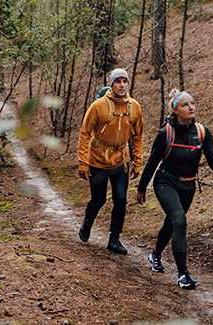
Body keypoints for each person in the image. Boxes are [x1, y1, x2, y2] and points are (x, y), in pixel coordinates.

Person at [135, 89, 213, 289]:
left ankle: (155, 254)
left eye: (193, 103)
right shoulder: (166, 133)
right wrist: (141, 188)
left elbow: (212, 158)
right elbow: (152, 162)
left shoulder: (202, 132)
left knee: (172, 224)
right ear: (176, 110)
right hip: (165, 182)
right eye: (185, 105)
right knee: (180, 221)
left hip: (188, 185)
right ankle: (183, 274)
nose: (191, 107)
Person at [78, 68, 144, 255]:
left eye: (125, 81)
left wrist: (137, 162)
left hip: (119, 161)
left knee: (121, 199)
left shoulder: (135, 107)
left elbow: (137, 137)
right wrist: (83, 163)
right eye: (118, 81)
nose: (122, 85)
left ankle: (114, 239)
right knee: (98, 200)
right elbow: (85, 134)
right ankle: (87, 223)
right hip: (97, 160)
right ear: (112, 84)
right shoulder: (98, 106)